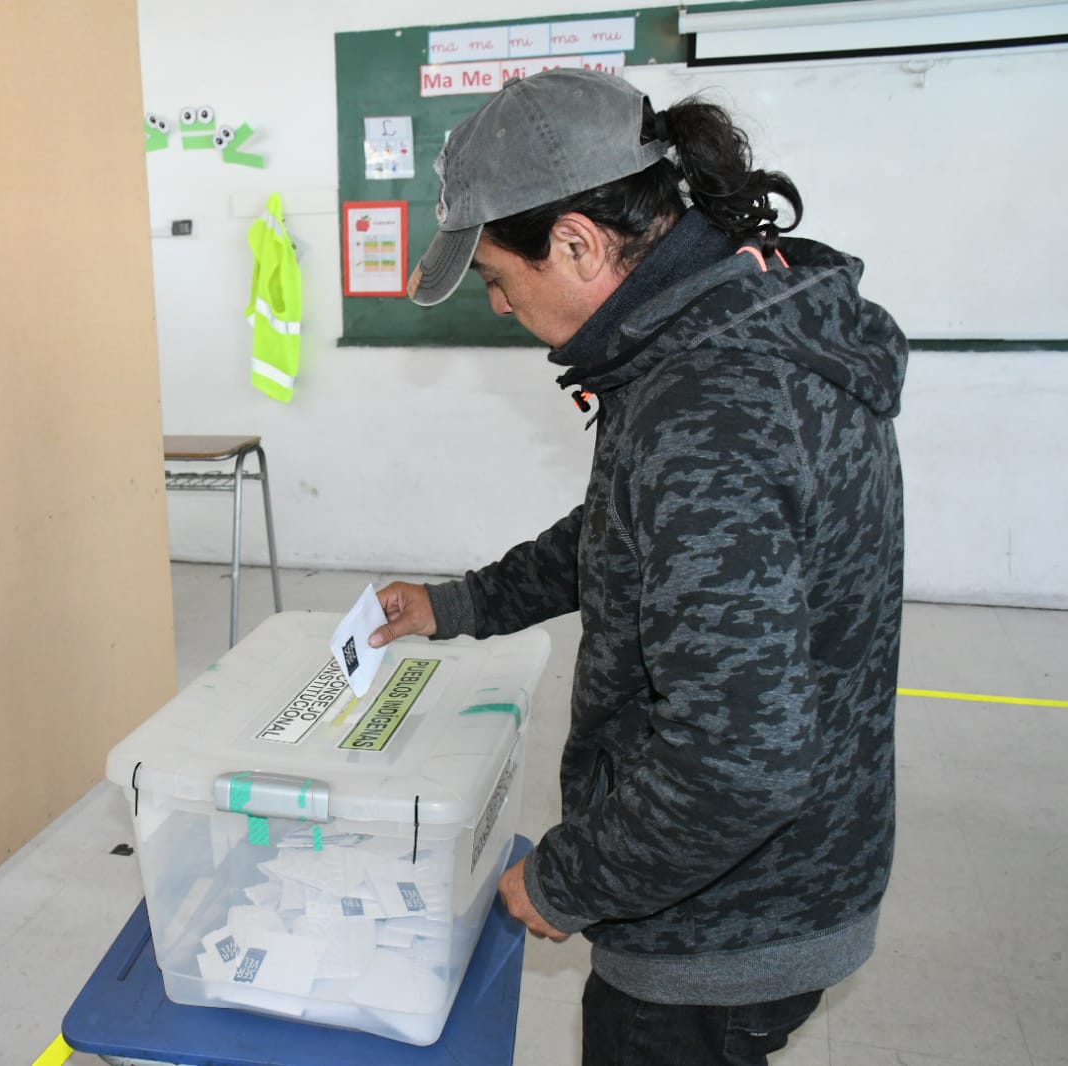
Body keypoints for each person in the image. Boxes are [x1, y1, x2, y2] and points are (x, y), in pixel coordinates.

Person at [369, 69, 906, 1065]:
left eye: (495, 273)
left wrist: (570, 878)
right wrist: (466, 601)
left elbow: (739, 762)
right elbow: (636, 529)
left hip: (719, 926)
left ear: (576, 242)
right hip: (794, 876)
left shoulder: (702, 406)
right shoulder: (737, 319)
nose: (496, 304)